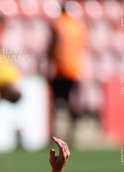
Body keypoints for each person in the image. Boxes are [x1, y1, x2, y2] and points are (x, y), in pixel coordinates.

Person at [47, 4, 88, 145]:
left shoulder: (58, 24)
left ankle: (56, 136)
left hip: (60, 69)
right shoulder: (79, 25)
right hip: (76, 69)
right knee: (73, 104)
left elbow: (52, 46)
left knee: (57, 104)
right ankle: (73, 135)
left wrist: (48, 64)